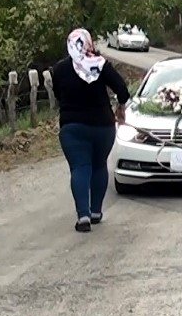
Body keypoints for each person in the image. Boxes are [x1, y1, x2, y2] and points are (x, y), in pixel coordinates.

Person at [51, 28, 131, 232]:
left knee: (80, 168)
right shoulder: (101, 65)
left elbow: (58, 94)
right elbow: (122, 90)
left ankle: (83, 216)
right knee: (98, 165)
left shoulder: (60, 69)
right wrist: (119, 107)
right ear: (89, 43)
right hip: (102, 126)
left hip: (72, 127)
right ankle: (96, 211)